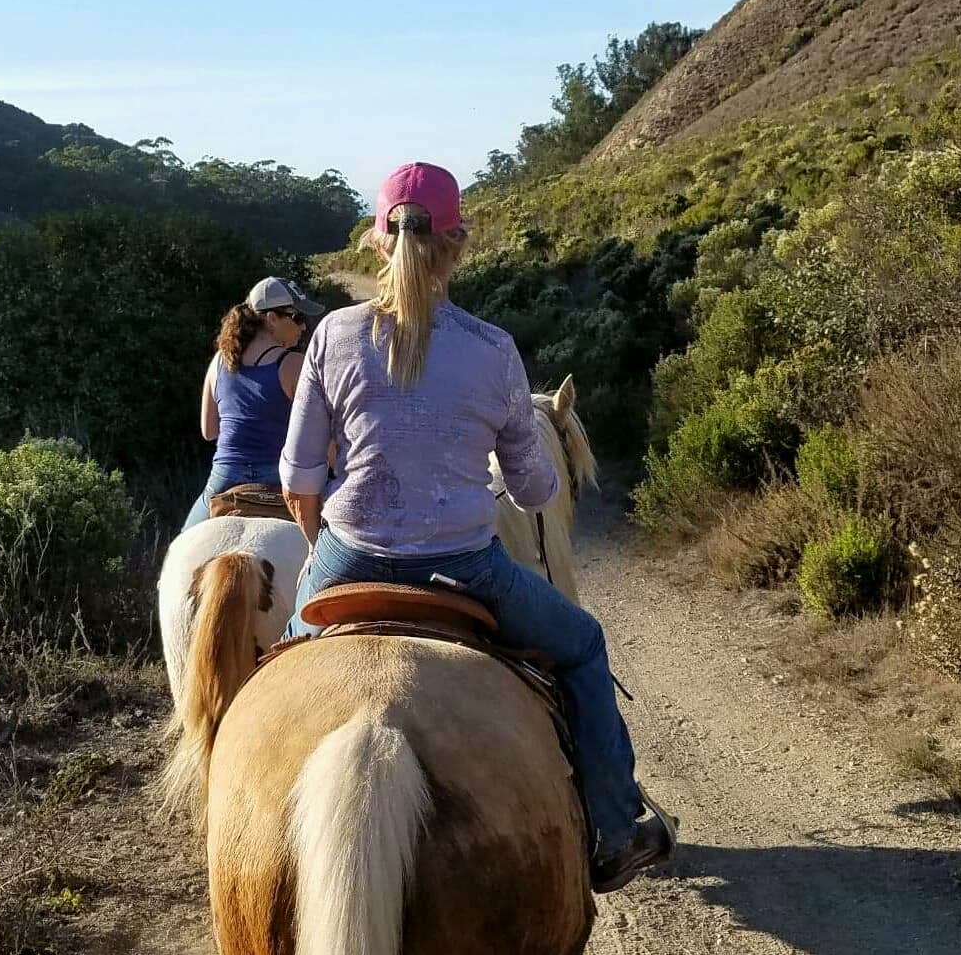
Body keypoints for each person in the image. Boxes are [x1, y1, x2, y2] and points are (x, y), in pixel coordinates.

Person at [279, 161, 675, 892]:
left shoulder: (333, 336)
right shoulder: (492, 350)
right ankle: (616, 830)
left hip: (347, 559)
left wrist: (322, 553)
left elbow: (299, 479)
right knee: (584, 646)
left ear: (377, 245)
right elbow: (530, 486)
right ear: (457, 246)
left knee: (269, 684)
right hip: (466, 568)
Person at [181, 275, 325, 529]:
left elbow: (209, 431)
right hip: (280, 477)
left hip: (225, 475)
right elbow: (323, 436)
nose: (303, 327)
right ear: (271, 319)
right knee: (331, 549)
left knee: (182, 543)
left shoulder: (220, 361)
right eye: (298, 318)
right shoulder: (294, 364)